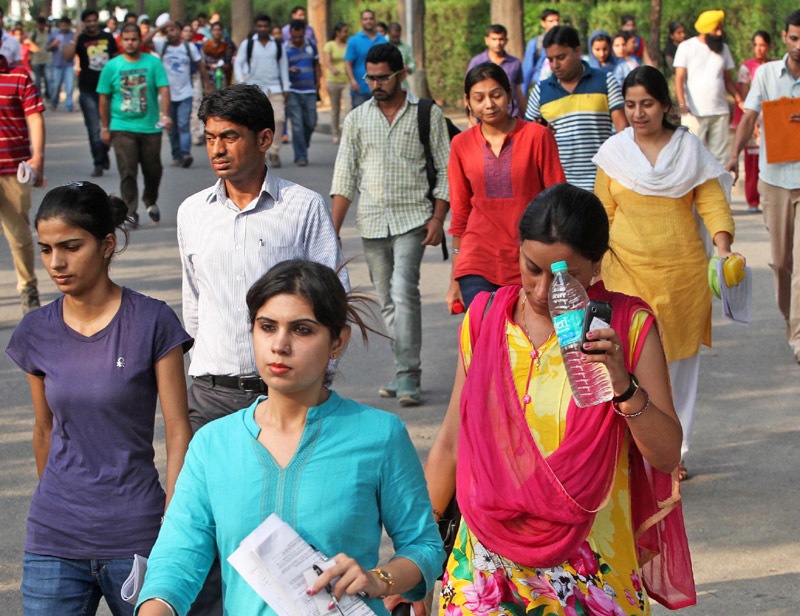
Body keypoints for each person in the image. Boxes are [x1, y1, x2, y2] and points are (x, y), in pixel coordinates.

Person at [426, 183, 696, 615]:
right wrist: (416, 555)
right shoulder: (485, 322)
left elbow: (665, 456)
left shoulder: (627, 326)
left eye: (564, 275)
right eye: (532, 267)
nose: (541, 290)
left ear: (596, 264)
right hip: (484, 564)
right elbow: (449, 442)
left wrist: (622, 384)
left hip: (590, 561)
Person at [135, 259, 443, 616]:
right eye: (267, 327)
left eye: (302, 330)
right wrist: (155, 608)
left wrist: (379, 579)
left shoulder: (379, 435)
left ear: (337, 341)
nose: (280, 345)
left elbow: (424, 546)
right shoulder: (212, 444)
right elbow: (177, 558)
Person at [5, 181, 193, 616]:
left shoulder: (152, 321)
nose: (56, 262)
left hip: (138, 534)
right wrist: (62, 506)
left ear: (107, 245)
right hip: (53, 539)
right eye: (46, 249)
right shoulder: (36, 330)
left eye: (71, 247)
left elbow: (178, 427)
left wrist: (174, 525)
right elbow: (44, 429)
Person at [594, 66, 741, 480]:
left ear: (665, 106)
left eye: (647, 104)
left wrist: (724, 246)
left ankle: (675, 453)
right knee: (625, 362)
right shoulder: (613, 153)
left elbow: (712, 204)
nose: (638, 113)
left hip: (682, 276)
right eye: (630, 104)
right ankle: (630, 448)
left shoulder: (689, 151)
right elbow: (601, 213)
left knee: (678, 370)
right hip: (623, 272)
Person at [331, 43, 449, 407]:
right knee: (386, 302)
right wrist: (329, 231)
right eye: (371, 77)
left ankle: (409, 375)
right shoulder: (356, 119)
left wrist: (438, 218)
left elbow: (446, 170)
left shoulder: (427, 114)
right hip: (372, 224)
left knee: (403, 293)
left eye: (383, 77)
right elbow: (344, 179)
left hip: (413, 219)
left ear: (400, 75)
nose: (376, 84)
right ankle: (402, 370)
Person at [446, 62, 565, 311]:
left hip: (531, 260)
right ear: (468, 101)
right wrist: (454, 278)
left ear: (509, 95)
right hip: (477, 260)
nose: (488, 104)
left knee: (527, 343)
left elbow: (558, 200)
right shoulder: (461, 144)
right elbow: (460, 214)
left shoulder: (537, 136)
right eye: (479, 98)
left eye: (496, 95)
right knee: (487, 341)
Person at [726, 10, 800, 364]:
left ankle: (799, 338)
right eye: (795, 38)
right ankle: (791, 319)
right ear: (785, 37)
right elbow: (749, 117)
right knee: (782, 262)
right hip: (775, 182)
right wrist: (733, 156)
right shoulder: (768, 74)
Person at [524, 25, 627, 190]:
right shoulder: (541, 91)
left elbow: (623, 131)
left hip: (604, 182)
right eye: (550, 59)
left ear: (577, 51)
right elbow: (529, 138)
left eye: (561, 57)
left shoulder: (606, 81)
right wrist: (542, 135)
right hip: (560, 187)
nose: (555, 65)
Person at [98, 23, 172, 226]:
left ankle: (150, 199)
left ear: (140, 41)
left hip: (150, 127)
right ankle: (130, 212)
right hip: (122, 127)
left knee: (153, 169)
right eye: (126, 39)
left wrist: (166, 115)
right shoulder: (112, 66)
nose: (130, 43)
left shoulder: (153, 63)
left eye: (134, 39)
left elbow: (164, 89)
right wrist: (105, 127)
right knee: (127, 171)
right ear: (121, 41)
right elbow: (103, 98)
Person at [0, 48, 44, 314]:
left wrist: (37, 156)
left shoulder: (17, 76)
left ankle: (28, 288)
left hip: (11, 169)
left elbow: (34, 116)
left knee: (18, 235)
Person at [674, 9, 742, 165]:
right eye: (716, 29)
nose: (719, 33)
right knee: (692, 157)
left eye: (720, 29)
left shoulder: (723, 49)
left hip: (720, 112)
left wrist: (740, 100)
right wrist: (682, 105)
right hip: (693, 113)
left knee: (719, 159)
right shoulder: (686, 47)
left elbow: (728, 80)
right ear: (705, 30)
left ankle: (716, 189)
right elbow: (679, 78)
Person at [63, 8, 118, 178]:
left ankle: (104, 149)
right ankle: (99, 162)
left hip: (109, 89)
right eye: (88, 21)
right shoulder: (81, 39)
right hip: (88, 89)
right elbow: (67, 57)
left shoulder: (107, 37)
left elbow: (116, 59)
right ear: (84, 23)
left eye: (94, 20)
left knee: (108, 126)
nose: (92, 24)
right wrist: (75, 37)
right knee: (94, 127)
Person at [145, 20, 208, 168]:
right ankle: (177, 156)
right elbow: (145, 41)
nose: (170, 33)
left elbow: (200, 66)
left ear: (179, 31)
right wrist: (160, 27)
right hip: (167, 95)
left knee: (183, 124)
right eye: (168, 31)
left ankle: (186, 153)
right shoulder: (162, 45)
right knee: (171, 128)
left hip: (185, 92)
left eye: (173, 29)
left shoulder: (188, 46)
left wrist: (208, 84)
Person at [234, 13, 290, 168]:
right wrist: (242, 82)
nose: (263, 29)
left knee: (278, 119)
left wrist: (286, 87)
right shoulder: (248, 44)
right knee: (256, 123)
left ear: (269, 27)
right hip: (255, 89)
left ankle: (275, 152)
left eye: (265, 26)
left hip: (275, 88)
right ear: (255, 27)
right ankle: (259, 153)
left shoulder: (277, 45)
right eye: (260, 26)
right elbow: (238, 63)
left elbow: (283, 67)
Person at [733, 30, 772, 214]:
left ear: (769, 47)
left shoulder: (774, 67)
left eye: (762, 45)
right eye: (756, 45)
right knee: (752, 162)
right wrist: (753, 121)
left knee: (771, 160)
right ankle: (752, 200)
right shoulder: (746, 68)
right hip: (753, 118)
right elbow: (745, 95)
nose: (759, 49)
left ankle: (769, 199)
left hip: (771, 119)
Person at [467, 24, 525, 117]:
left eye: (501, 39)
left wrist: (524, 113)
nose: (497, 43)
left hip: (511, 114)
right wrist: (470, 117)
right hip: (485, 115)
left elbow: (518, 91)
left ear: (506, 41)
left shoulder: (515, 62)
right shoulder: (477, 62)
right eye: (494, 39)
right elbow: (469, 91)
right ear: (487, 40)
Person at [285, 19, 320, 167]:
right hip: (293, 90)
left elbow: (317, 65)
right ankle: (300, 155)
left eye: (300, 36)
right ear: (290, 34)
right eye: (295, 37)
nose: (298, 40)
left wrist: (318, 84)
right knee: (297, 124)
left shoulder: (311, 45)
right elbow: (280, 69)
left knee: (311, 121)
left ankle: (303, 144)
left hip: (310, 89)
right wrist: (288, 70)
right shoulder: (284, 48)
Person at [344, 9, 387, 108]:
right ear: (361, 22)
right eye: (365, 19)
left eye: (371, 18)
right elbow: (348, 63)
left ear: (374, 20)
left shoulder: (382, 40)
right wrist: (352, 81)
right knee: (360, 121)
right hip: (360, 88)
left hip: (380, 88)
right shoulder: (354, 41)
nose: (368, 21)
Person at [322, 22, 350, 144]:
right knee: (335, 108)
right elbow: (327, 61)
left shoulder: (349, 45)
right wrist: (334, 70)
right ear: (338, 32)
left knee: (349, 108)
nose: (346, 34)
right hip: (333, 80)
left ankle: (348, 133)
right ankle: (335, 134)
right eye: (344, 31)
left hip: (347, 80)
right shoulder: (330, 45)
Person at [521, 8, 560, 96]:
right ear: (543, 23)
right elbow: (527, 71)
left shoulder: (565, 43)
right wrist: (523, 96)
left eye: (557, 20)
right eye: (551, 21)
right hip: (541, 89)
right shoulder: (536, 43)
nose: (555, 24)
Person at [46, 16, 75, 111]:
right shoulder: (54, 34)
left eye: (66, 25)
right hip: (57, 64)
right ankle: (54, 102)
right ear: (60, 25)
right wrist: (53, 45)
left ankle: (69, 104)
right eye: (62, 24)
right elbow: (47, 48)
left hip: (69, 64)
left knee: (70, 86)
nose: (64, 26)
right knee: (56, 86)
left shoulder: (72, 35)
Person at [202, 21, 235, 90]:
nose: (217, 32)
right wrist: (209, 66)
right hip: (208, 78)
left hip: (222, 77)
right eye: (215, 30)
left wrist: (221, 66)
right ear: (211, 31)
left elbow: (228, 64)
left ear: (222, 32)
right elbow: (202, 62)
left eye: (219, 30)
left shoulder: (226, 47)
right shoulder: (206, 46)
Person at [29, 17, 51, 98]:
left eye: (42, 24)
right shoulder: (34, 33)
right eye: (39, 24)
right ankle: (38, 95)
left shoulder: (48, 32)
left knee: (47, 78)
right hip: (36, 60)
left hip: (47, 59)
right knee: (37, 79)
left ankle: (48, 94)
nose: (41, 26)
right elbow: (29, 44)